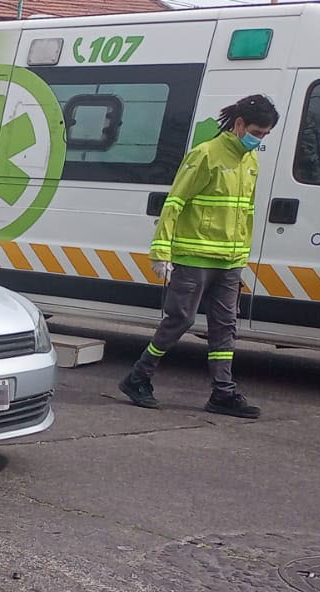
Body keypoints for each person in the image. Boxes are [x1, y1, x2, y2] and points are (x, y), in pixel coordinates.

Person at [119, 94, 279, 419]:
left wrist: (241, 257)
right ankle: (138, 377)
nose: (259, 140)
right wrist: (161, 251)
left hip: (229, 262)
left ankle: (223, 393)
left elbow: (244, 213)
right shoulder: (206, 155)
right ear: (238, 124)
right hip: (194, 257)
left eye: (265, 135)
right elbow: (175, 202)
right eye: (257, 132)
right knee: (180, 320)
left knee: (225, 327)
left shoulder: (250, 162)